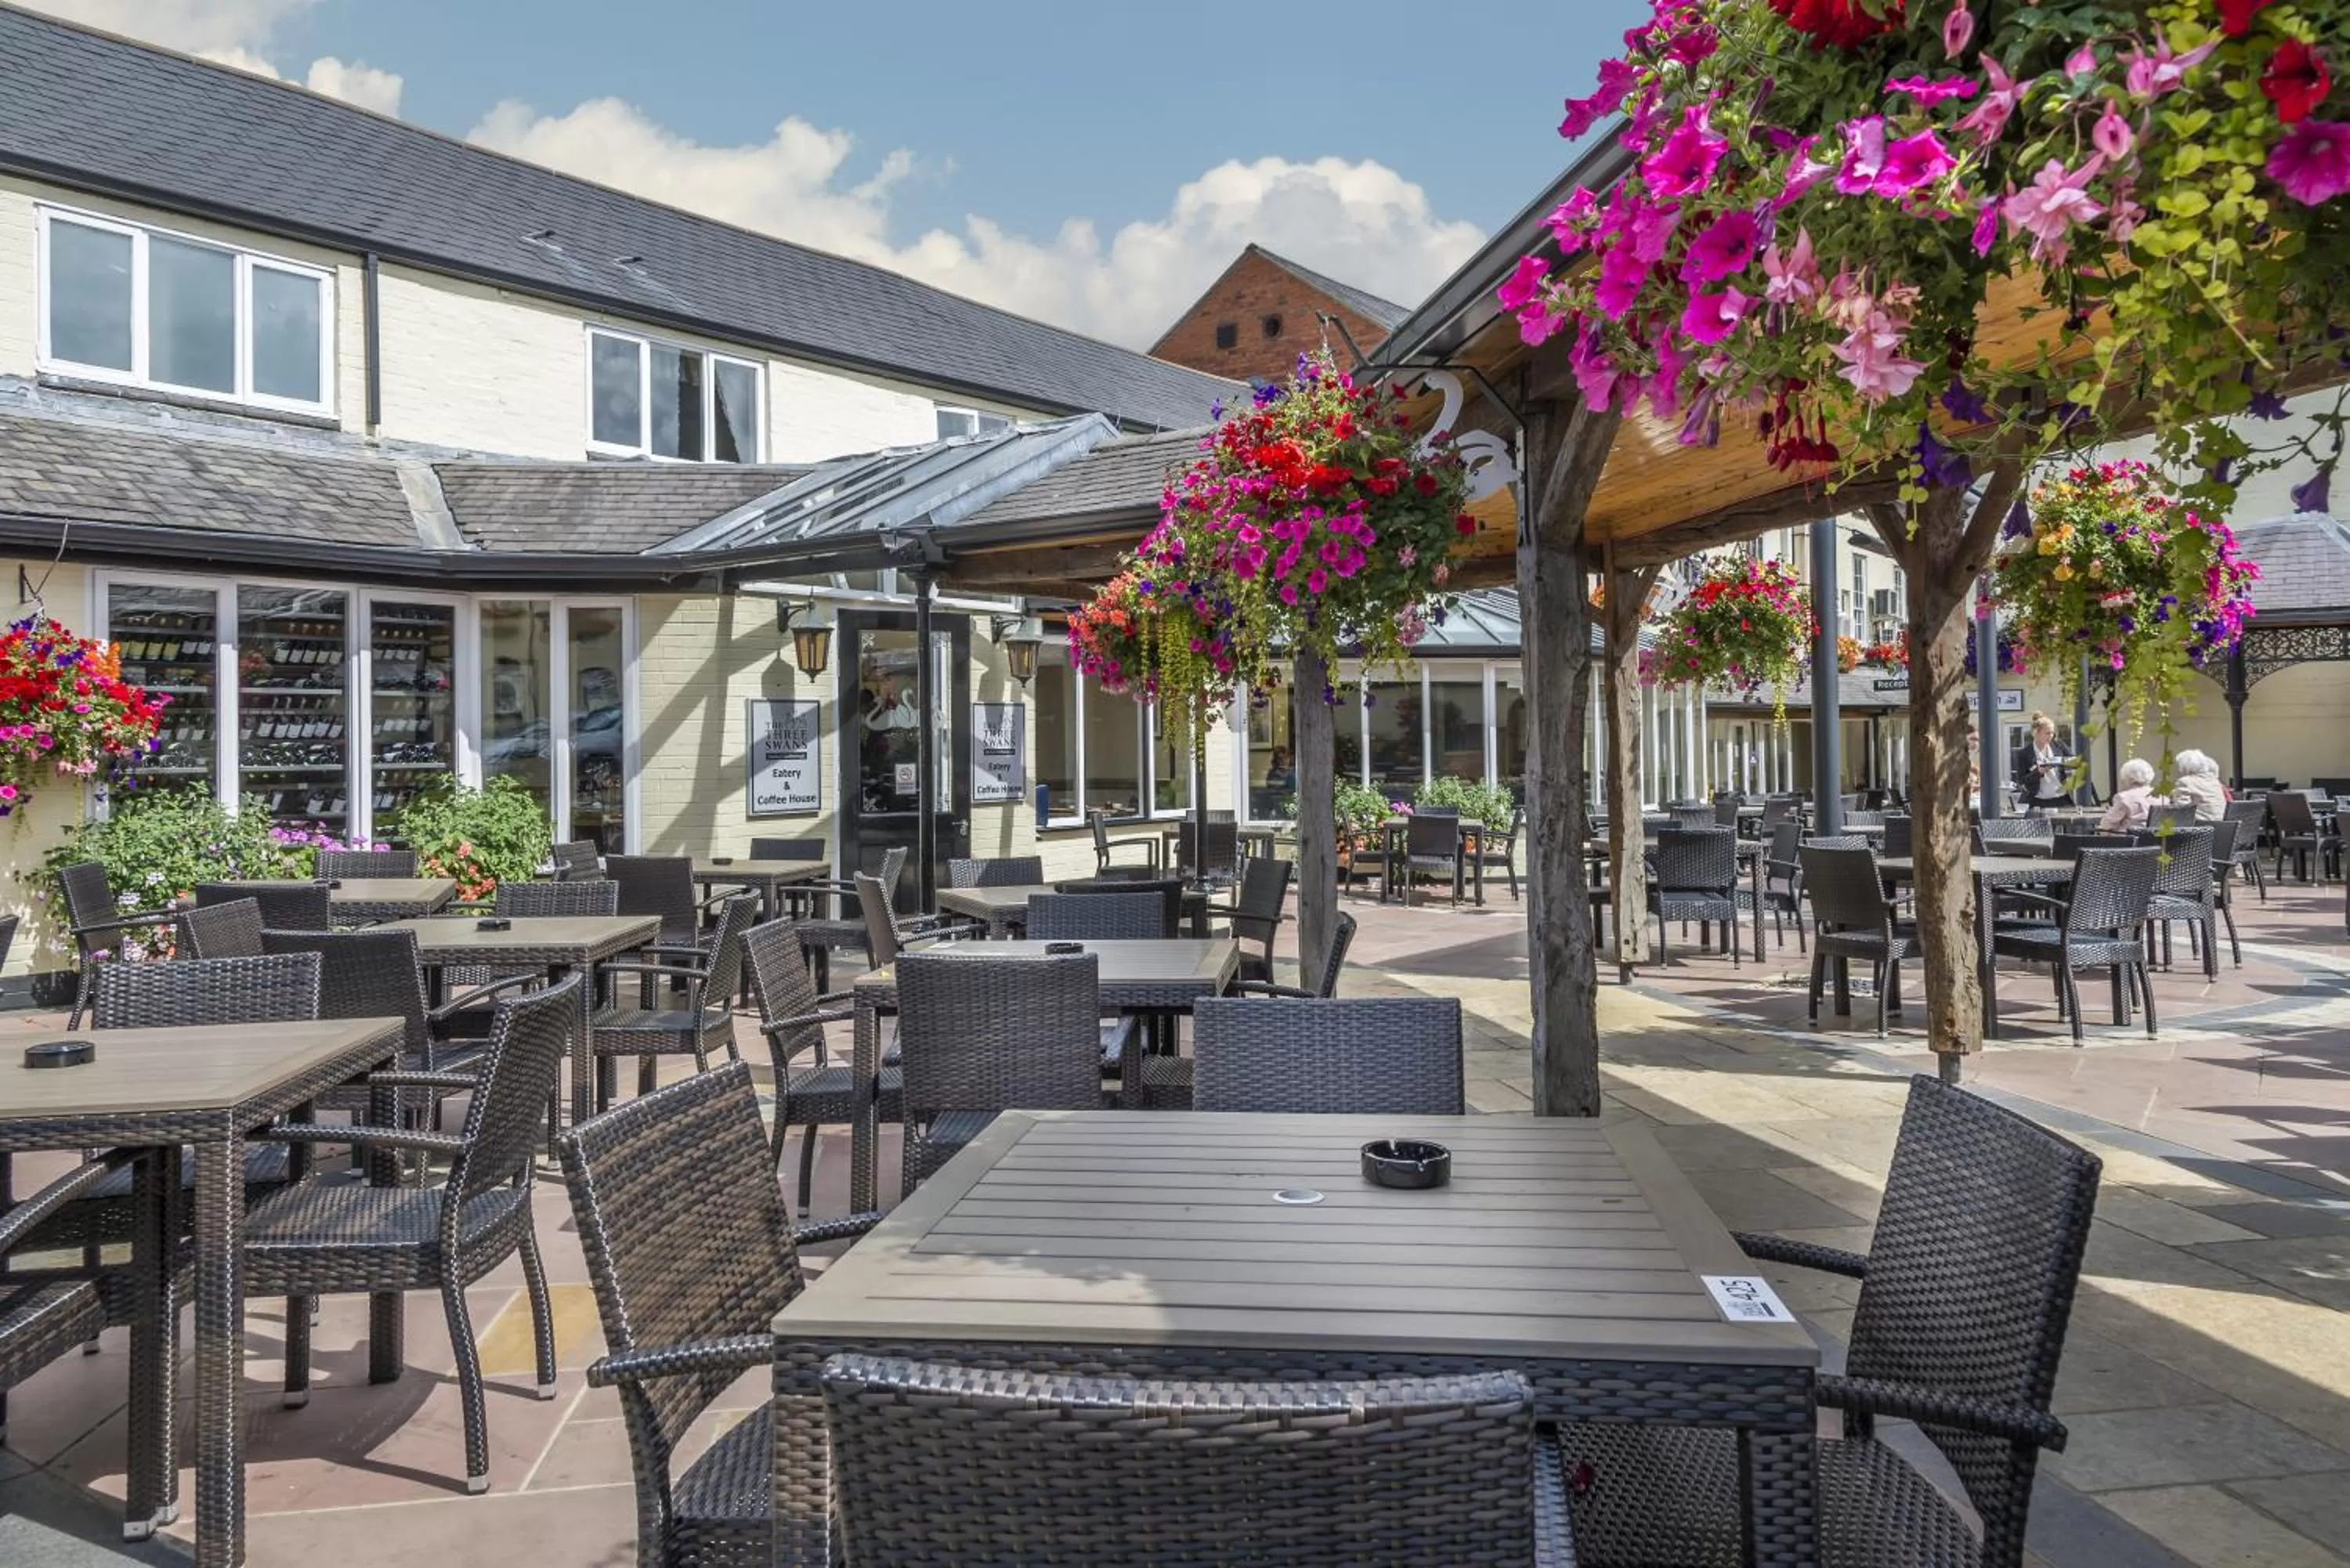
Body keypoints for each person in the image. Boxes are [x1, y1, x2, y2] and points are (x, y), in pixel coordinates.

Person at [2012, 713, 2073, 812]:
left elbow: (2073, 760)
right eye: (2047, 733)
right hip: (2037, 801)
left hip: (2062, 799)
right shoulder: (2024, 753)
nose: (2051, 736)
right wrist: (2038, 772)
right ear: (2036, 733)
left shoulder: (2058, 745)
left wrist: (2062, 762)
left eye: (2052, 733)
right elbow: (2022, 780)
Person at [2099, 757, 2160, 831]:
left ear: (2127, 778)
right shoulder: (2162, 796)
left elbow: (2107, 825)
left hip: (2129, 840)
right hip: (2157, 840)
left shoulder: (2124, 798)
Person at [2171, 748, 2227, 822]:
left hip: (2200, 826)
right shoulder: (2214, 781)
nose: (2179, 770)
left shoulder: (2185, 782)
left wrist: (2173, 796)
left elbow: (2182, 808)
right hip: (2223, 825)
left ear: (2185, 767)